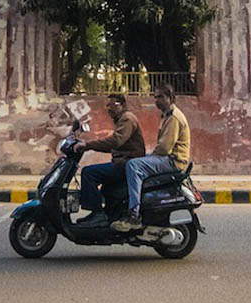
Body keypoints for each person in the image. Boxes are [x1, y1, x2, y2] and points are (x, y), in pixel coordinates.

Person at [111, 83, 190, 232]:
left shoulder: (174, 118)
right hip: (169, 158)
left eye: (160, 97)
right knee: (136, 160)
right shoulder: (167, 115)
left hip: (174, 161)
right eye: (155, 97)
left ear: (170, 97)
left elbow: (165, 148)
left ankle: (133, 214)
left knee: (134, 165)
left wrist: (149, 157)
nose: (157, 100)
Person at [73, 93, 145, 227]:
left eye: (112, 105)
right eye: (108, 106)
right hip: (122, 162)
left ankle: (97, 214)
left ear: (121, 105)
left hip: (127, 164)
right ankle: (105, 213)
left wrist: (88, 145)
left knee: (89, 173)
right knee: (104, 184)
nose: (109, 109)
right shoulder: (122, 119)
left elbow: (116, 141)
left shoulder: (127, 119)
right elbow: (116, 146)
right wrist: (90, 146)